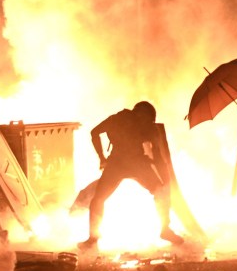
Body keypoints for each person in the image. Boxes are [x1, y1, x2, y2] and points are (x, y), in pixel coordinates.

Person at [78, 101, 184, 250]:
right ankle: (93, 237)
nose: (148, 122)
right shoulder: (119, 119)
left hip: (133, 164)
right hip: (120, 164)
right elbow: (94, 132)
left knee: (160, 191)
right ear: (140, 114)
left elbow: (158, 155)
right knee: (99, 198)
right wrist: (101, 157)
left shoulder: (141, 125)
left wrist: (164, 180)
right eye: (147, 118)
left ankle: (165, 230)